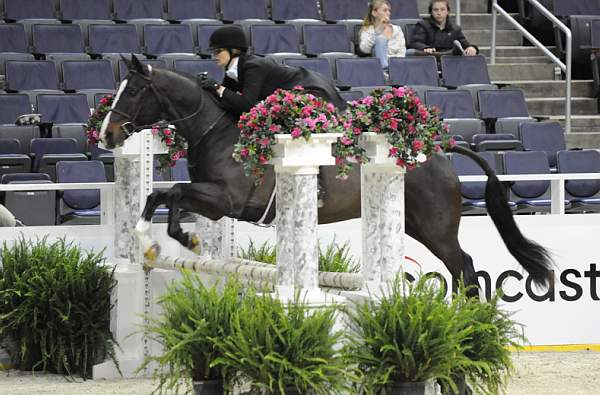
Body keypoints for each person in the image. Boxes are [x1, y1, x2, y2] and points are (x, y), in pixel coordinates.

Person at [200, 25, 347, 206]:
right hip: (287, 96)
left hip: (309, 89)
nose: (214, 55)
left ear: (234, 50)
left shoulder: (253, 66)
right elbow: (229, 103)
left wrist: (217, 88)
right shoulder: (232, 71)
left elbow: (246, 104)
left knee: (300, 129)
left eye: (218, 51)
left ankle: (317, 184)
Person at [410, 0, 478, 56]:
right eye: (435, 10)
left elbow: (464, 43)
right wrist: (425, 48)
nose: (439, 13)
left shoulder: (455, 28)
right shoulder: (423, 25)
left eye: (442, 9)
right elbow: (415, 43)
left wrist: (472, 48)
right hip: (430, 59)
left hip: (449, 62)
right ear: (431, 12)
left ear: (447, 11)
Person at [358, 0, 406, 75]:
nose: (389, 13)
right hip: (378, 69)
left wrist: (397, 66)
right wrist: (378, 30)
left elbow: (402, 50)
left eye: (389, 11)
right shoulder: (368, 30)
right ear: (374, 13)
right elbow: (364, 49)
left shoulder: (397, 29)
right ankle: (385, 72)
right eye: (385, 10)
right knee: (381, 39)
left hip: (397, 67)